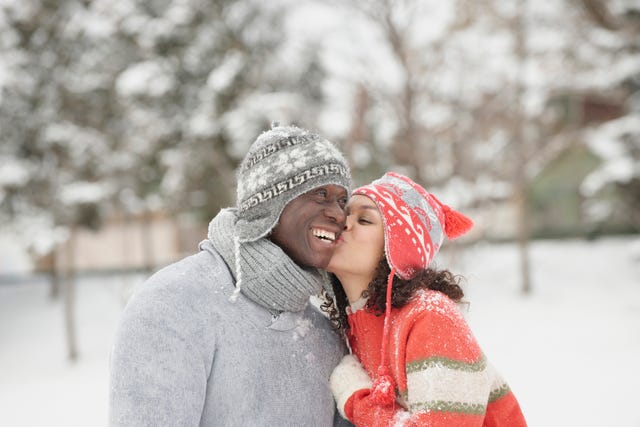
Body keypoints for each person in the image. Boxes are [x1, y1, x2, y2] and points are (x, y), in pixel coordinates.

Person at [109, 124, 355, 426]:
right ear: (270, 204)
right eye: (320, 194)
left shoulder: (324, 333)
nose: (339, 214)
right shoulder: (174, 304)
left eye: (343, 201)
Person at [324, 172, 527, 426]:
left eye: (365, 219)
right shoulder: (358, 321)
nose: (344, 223)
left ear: (396, 250)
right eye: (346, 213)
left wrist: (355, 398)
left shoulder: (432, 316)